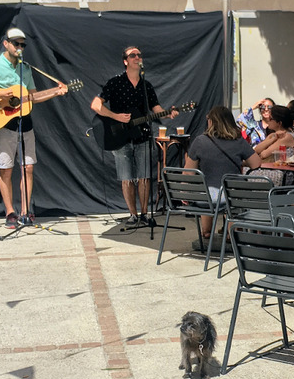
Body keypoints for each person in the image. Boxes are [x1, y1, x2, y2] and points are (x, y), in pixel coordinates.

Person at [0, 27, 67, 228]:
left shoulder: (25, 68)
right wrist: (0, 94)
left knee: (28, 167)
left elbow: (32, 97)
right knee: (6, 170)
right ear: (6, 44)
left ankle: (25, 211)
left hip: (25, 123)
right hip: (3, 124)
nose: (20, 47)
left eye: (22, 44)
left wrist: (56, 92)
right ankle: (10, 212)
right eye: (16, 43)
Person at [90, 45, 177, 228]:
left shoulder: (146, 86)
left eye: (139, 55)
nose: (137, 57)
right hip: (120, 136)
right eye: (133, 55)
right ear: (125, 61)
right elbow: (96, 104)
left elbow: (156, 108)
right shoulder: (115, 83)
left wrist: (167, 113)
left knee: (144, 176)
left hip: (143, 134)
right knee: (126, 177)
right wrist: (115, 116)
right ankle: (132, 214)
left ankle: (145, 213)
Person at [184, 106, 260, 239]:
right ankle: (231, 234)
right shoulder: (238, 141)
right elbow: (256, 163)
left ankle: (207, 231)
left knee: (208, 189)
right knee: (232, 196)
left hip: (205, 198)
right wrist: (239, 161)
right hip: (230, 197)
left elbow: (188, 172)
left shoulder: (200, 141)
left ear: (211, 122)